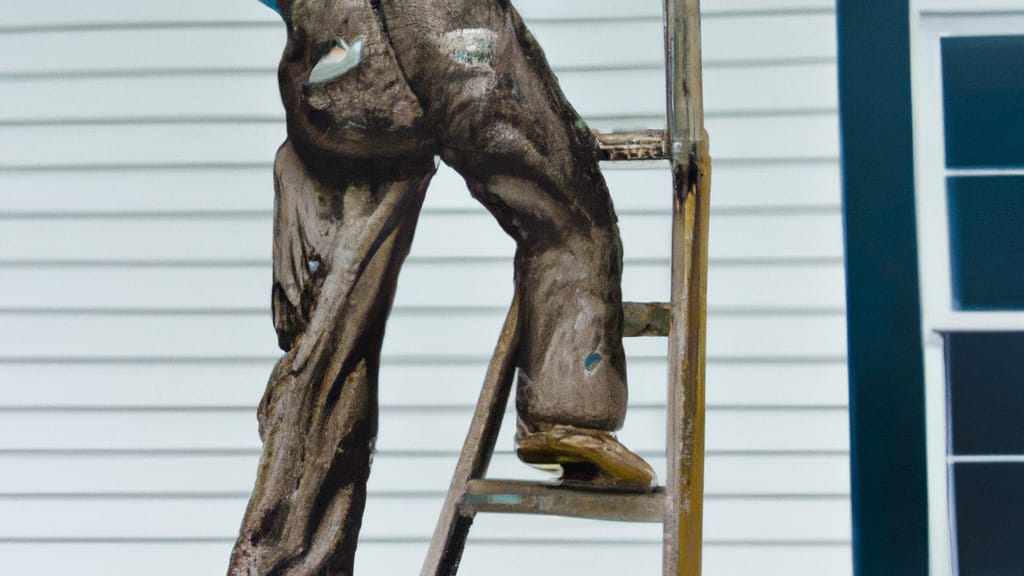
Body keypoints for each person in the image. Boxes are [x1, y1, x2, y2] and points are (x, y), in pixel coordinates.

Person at [229, 1, 654, 574]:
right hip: (443, 27)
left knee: (331, 347)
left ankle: (285, 561)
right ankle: (569, 409)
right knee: (565, 205)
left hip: (332, 66)